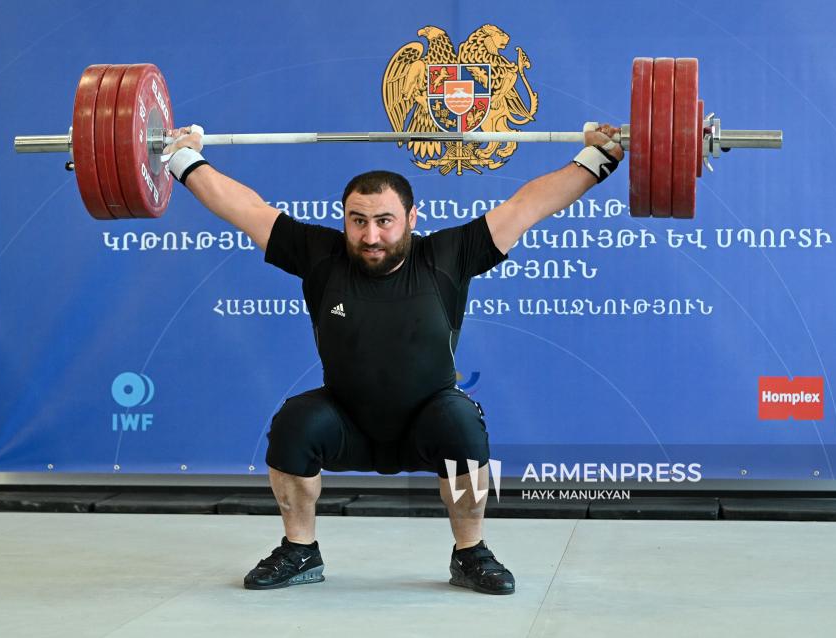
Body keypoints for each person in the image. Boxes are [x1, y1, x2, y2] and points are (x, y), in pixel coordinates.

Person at [164, 124, 623, 595]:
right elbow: (244, 209)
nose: (370, 235)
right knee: (293, 423)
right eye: (357, 220)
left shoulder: (449, 254)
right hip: (346, 418)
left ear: (411, 216)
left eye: (385, 220)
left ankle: (470, 552)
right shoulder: (320, 255)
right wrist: (182, 160)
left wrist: (599, 159)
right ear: (343, 218)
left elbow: (530, 204)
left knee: (464, 425)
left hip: (430, 417)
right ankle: (300, 550)